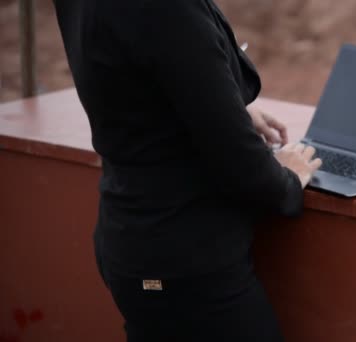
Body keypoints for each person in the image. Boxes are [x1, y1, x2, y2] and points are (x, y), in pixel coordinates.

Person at [53, 0, 322, 340]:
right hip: (185, 258)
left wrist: (224, 104)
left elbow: (126, 79)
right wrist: (289, 179)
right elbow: (239, 163)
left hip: (130, 241)